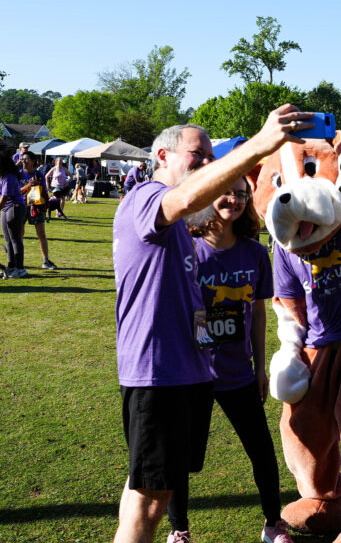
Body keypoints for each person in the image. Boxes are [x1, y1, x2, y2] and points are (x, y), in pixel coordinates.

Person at [111, 105, 312, 543]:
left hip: (188, 375)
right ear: (162, 156)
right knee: (149, 501)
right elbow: (184, 199)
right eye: (197, 154)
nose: (206, 163)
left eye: (210, 156)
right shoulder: (146, 198)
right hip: (158, 374)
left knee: (147, 491)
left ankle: (268, 521)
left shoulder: (191, 232)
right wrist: (259, 145)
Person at [167, 176, 293, 543]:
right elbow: (175, 311)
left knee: (262, 452)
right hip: (192, 376)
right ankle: (179, 530)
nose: (234, 200)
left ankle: (273, 525)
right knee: (180, 458)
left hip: (239, 374)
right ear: (208, 195)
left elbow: (258, 312)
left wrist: (259, 367)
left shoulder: (255, 253)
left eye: (241, 194)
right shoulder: (188, 251)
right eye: (226, 192)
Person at [19, 152, 57, 270]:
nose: (24, 162)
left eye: (26, 159)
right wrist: (29, 185)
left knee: (41, 234)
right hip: (21, 206)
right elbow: (17, 191)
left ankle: (46, 260)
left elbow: (44, 192)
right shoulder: (19, 174)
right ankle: (18, 261)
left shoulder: (39, 174)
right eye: (22, 159)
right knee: (20, 234)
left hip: (36, 206)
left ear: (33, 161)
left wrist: (38, 186)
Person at [1, 153, 28, 278]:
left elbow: (5, 197)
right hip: (6, 209)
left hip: (14, 207)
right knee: (8, 240)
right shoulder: (2, 177)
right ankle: (11, 266)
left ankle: (20, 268)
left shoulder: (9, 177)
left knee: (15, 239)